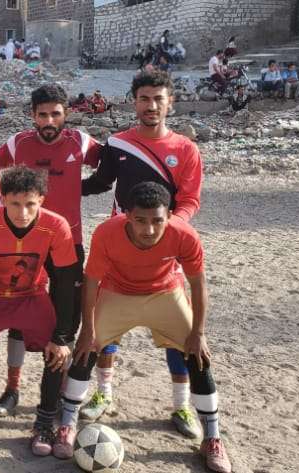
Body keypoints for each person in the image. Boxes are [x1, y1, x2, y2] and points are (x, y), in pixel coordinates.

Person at [55, 182, 233, 473]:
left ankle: (212, 438)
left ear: (169, 215)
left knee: (198, 355)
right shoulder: (107, 233)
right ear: (127, 215)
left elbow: (198, 284)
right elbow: (91, 282)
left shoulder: (184, 234)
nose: (149, 230)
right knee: (87, 349)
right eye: (140, 220)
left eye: (157, 221)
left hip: (165, 293)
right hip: (117, 292)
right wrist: (88, 329)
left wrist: (198, 334)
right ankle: (67, 425)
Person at [81, 71, 205, 440]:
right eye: (144, 99)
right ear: (133, 102)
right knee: (106, 325)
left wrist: (169, 232)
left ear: (170, 102)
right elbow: (100, 183)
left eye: (158, 99)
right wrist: (57, 186)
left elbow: (190, 200)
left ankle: (181, 405)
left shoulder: (186, 149)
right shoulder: (118, 143)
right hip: (118, 246)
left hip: (165, 251)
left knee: (177, 333)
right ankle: (104, 392)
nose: (151, 106)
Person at [0, 84, 101, 419]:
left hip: (68, 241)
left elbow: (112, 163)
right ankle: (12, 389)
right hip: (25, 241)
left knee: (67, 319)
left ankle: (60, 391)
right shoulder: (18, 143)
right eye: (42, 114)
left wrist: (83, 188)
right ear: (32, 115)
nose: (49, 121)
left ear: (66, 113)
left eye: (55, 114)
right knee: (18, 312)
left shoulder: (81, 141)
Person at [0, 164, 79, 455]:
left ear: (41, 201)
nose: (23, 213)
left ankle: (44, 423)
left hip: (30, 294)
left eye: (30, 204)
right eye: (15, 204)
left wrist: (61, 337)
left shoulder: (56, 225)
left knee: (57, 352)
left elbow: (64, 282)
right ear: (2, 199)